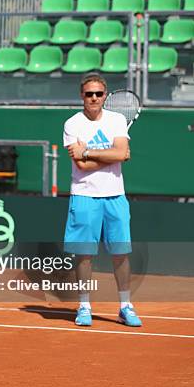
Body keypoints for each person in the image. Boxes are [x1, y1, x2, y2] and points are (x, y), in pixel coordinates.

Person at [63, 73, 141, 328]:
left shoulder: (117, 119)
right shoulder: (72, 124)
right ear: (81, 96)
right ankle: (84, 305)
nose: (94, 98)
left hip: (115, 196)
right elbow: (82, 166)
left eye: (98, 93)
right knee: (84, 255)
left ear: (105, 96)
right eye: (89, 94)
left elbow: (118, 152)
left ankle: (125, 306)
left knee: (121, 253)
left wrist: (87, 150)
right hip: (84, 196)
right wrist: (112, 156)